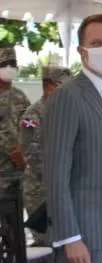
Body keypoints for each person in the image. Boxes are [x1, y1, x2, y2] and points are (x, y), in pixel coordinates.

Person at [43, 14, 102, 263]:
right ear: (81, 50)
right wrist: (70, 238)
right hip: (84, 238)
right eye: (96, 43)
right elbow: (55, 174)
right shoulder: (67, 96)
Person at [18, 65, 72, 245]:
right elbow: (30, 152)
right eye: (61, 86)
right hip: (39, 191)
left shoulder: (66, 112)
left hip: (64, 187)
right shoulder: (31, 116)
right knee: (46, 243)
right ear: (48, 86)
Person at [0, 46, 31, 263]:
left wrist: (23, 151)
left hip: (17, 174)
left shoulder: (19, 96)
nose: (10, 69)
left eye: (13, 65)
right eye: (5, 65)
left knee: (15, 227)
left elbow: (30, 126)